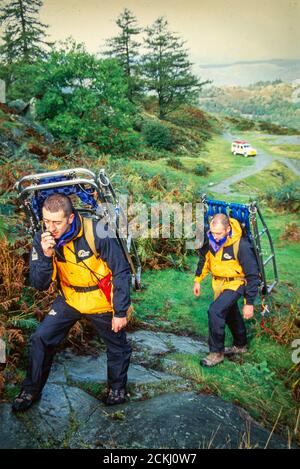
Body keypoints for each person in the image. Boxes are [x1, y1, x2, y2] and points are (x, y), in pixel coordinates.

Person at [12, 193, 132, 411]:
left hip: (101, 300)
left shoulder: (97, 232)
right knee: (40, 338)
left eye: (57, 222)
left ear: (70, 217)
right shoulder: (43, 238)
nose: (51, 227)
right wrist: (47, 255)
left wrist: (120, 311)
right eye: (46, 221)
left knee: (118, 346)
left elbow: (121, 271)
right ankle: (30, 390)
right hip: (70, 298)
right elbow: (39, 284)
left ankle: (117, 388)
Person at [193, 213, 260, 367]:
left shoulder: (241, 245)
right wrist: (198, 280)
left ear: (228, 229)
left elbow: (252, 274)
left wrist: (249, 303)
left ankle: (216, 353)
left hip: (236, 283)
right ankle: (241, 345)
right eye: (213, 232)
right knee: (229, 311)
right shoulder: (210, 240)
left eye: (219, 233)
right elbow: (204, 260)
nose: (215, 237)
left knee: (215, 311)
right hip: (218, 284)